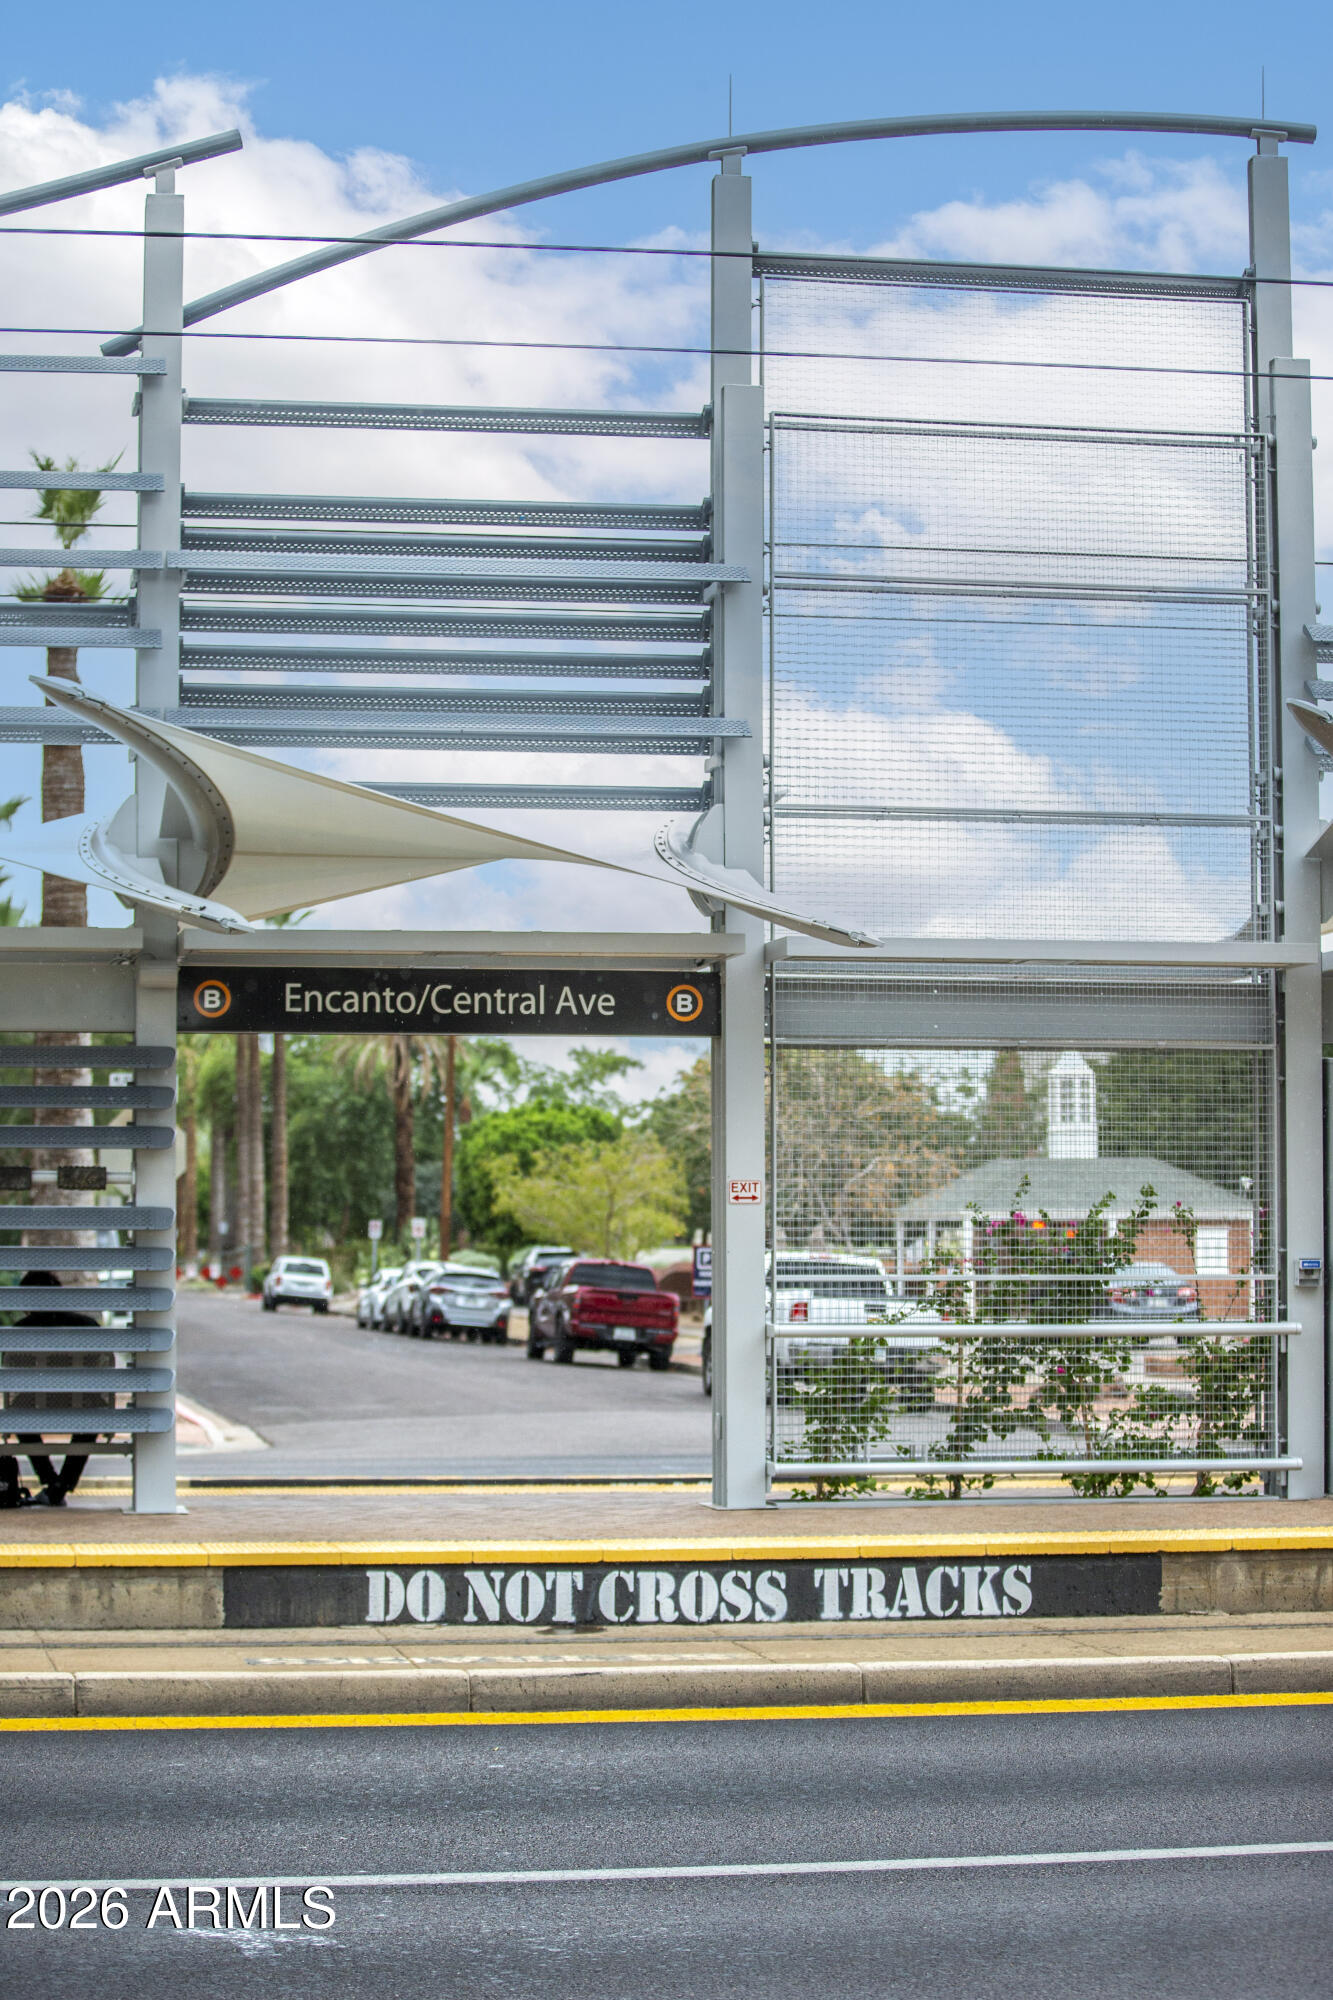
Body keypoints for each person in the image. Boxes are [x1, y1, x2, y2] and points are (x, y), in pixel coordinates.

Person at [2, 1269, 113, 1506]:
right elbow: (103, 1369)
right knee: (92, 1415)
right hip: (84, 1402)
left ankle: (51, 1481)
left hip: (36, 1402)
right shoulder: (88, 1326)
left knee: (18, 1413)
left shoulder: (20, 1331)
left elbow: (14, 1374)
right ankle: (61, 1486)